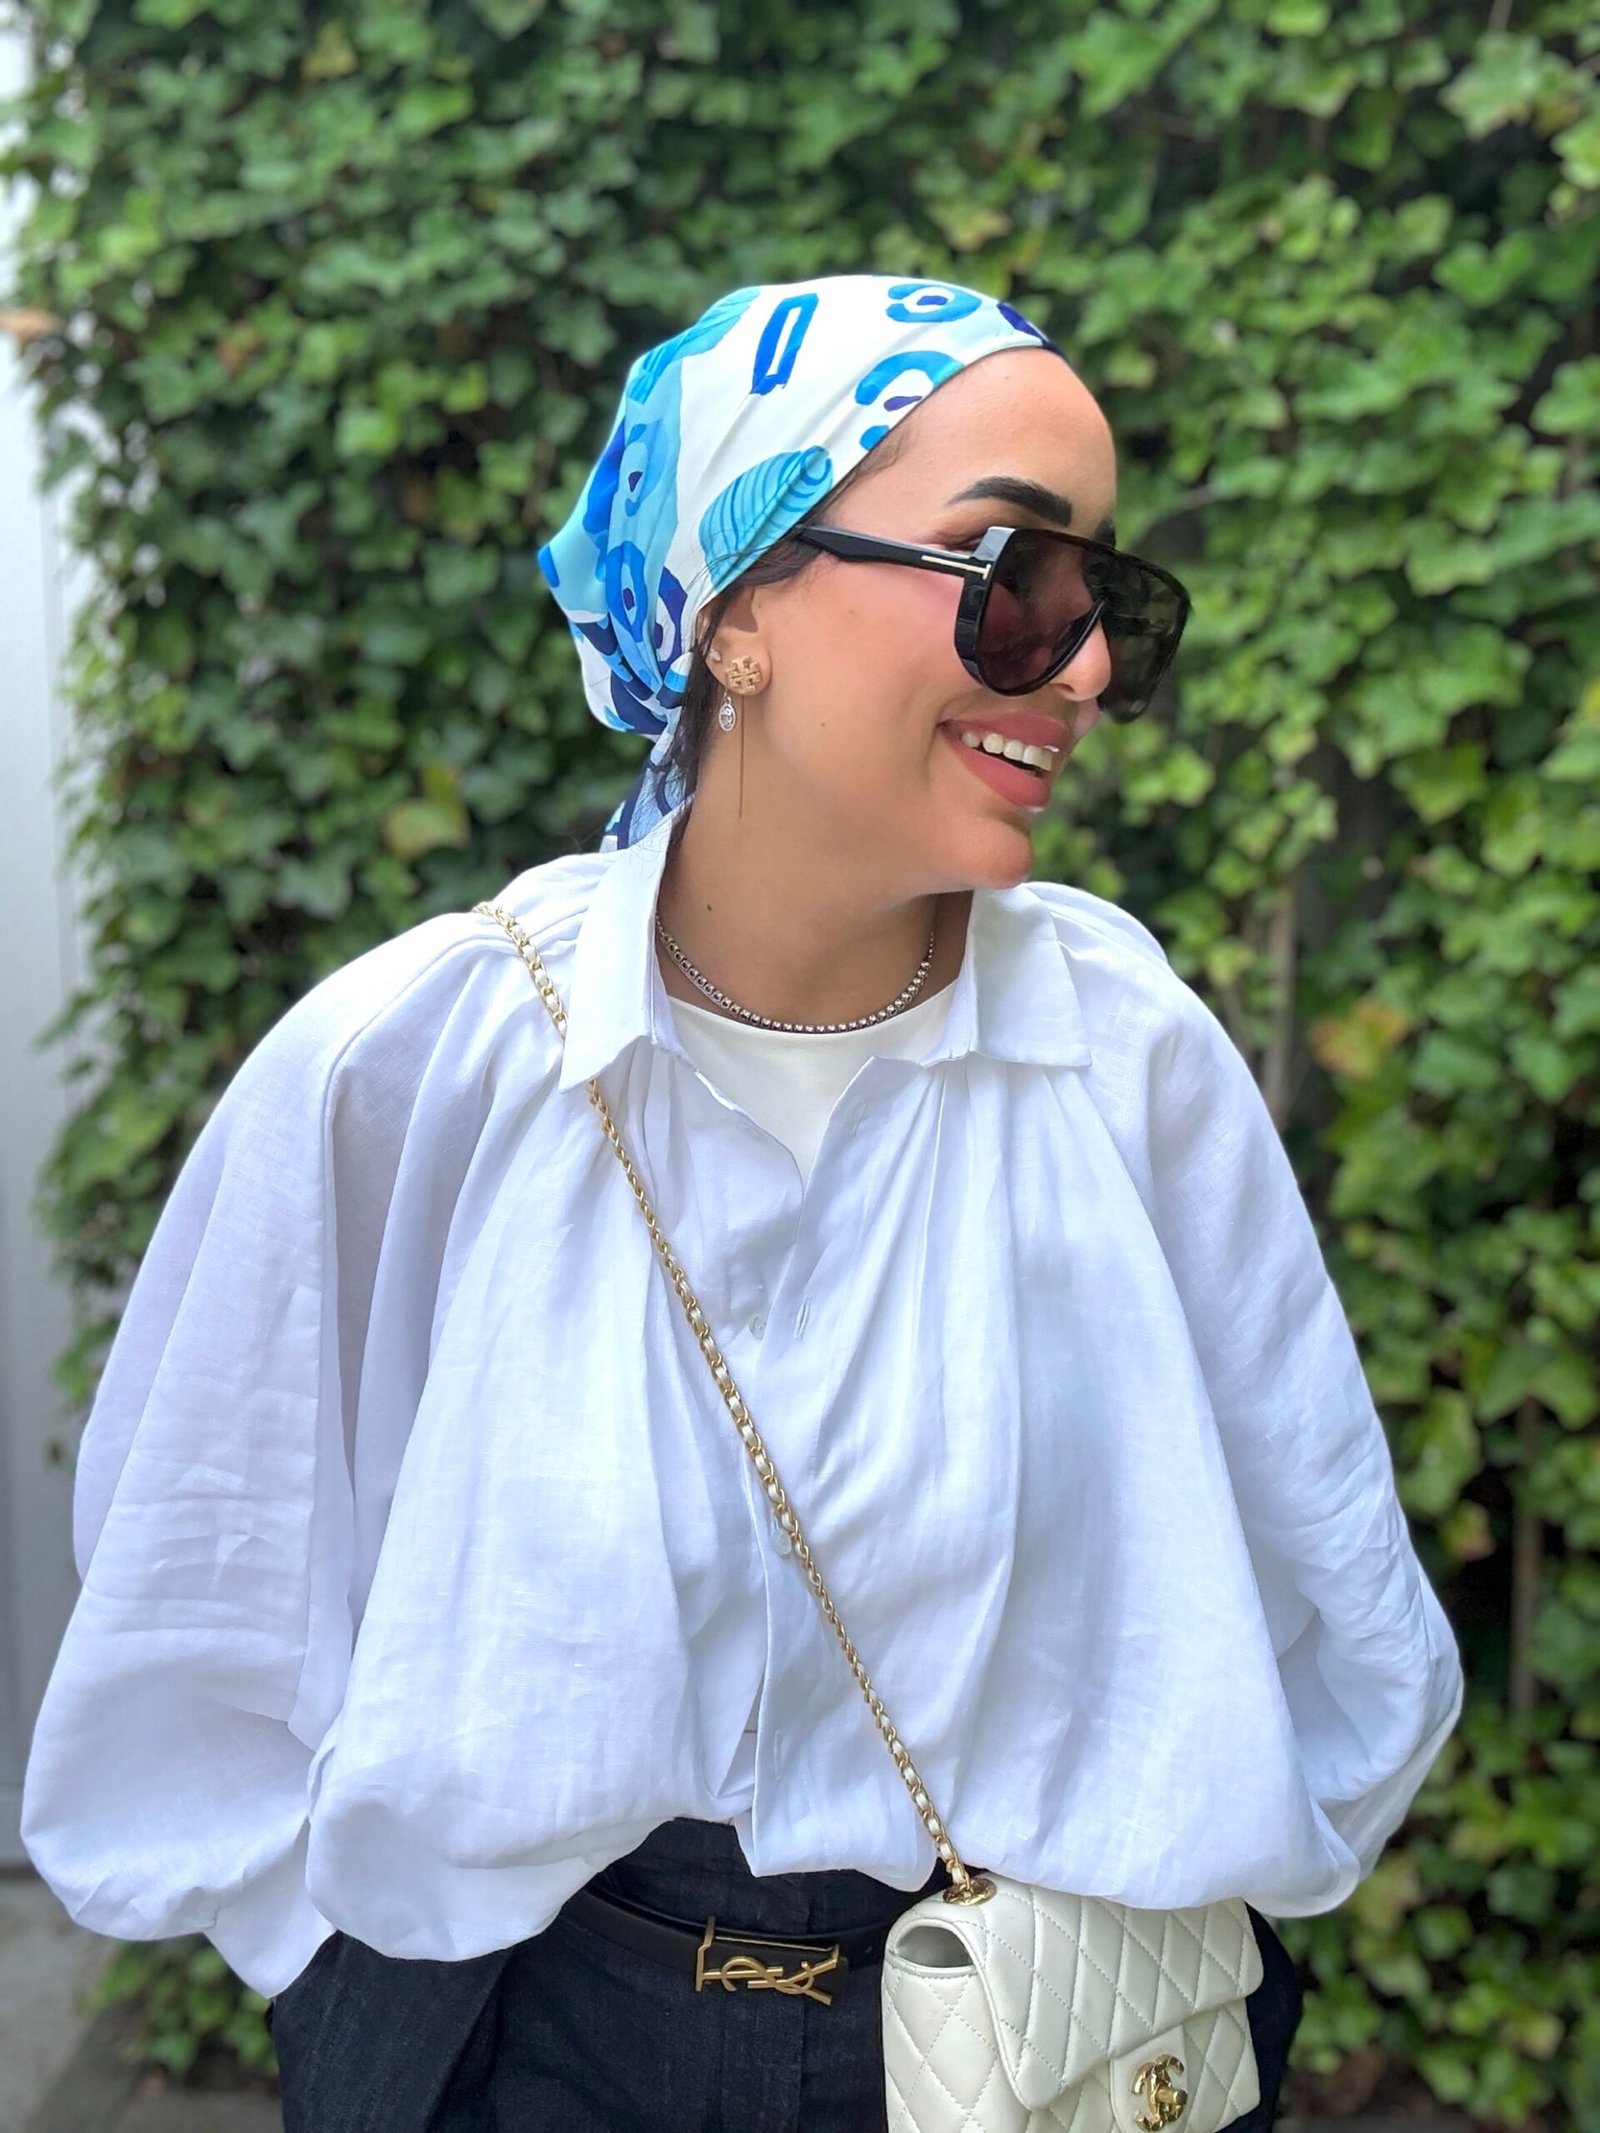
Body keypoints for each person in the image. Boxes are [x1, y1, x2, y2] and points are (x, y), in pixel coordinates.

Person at [21, 274, 1464, 2131]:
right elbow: (201, 1586)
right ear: (743, 610)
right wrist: (354, 1977)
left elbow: (1327, 1583)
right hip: (523, 2032)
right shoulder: (421, 1063)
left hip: (1040, 2040)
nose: (1091, 664)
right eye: (1015, 573)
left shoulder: (1123, 1062)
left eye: (1113, 601)